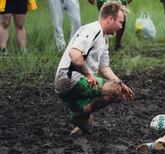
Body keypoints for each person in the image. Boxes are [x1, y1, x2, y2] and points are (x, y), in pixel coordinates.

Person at [54, 2, 135, 134]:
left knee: (87, 125)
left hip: (78, 82)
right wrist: (89, 75)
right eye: (120, 22)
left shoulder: (104, 38)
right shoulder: (93, 29)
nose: (121, 27)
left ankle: (77, 113)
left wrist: (122, 84)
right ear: (110, 19)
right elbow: (75, 54)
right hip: (67, 79)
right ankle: (78, 114)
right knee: (114, 89)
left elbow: (104, 68)